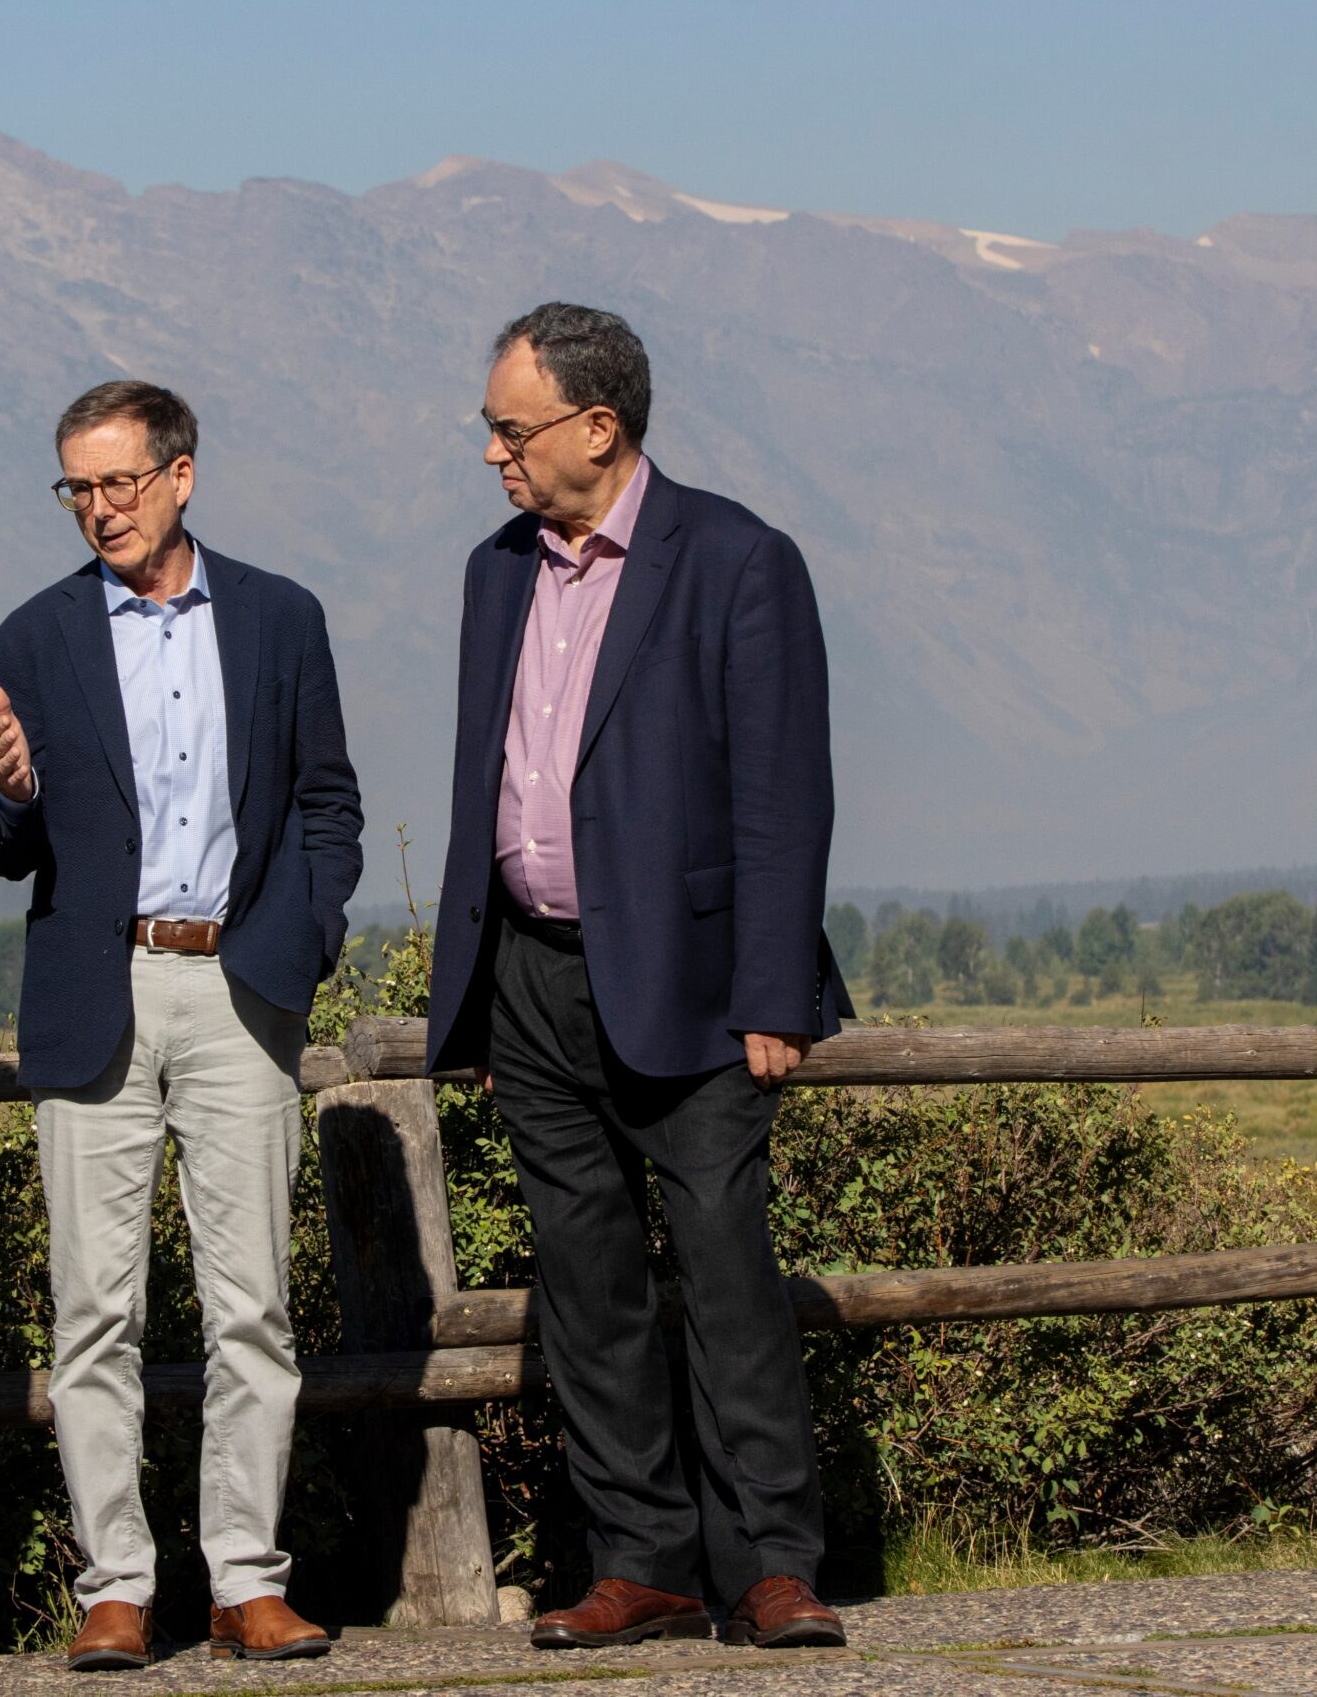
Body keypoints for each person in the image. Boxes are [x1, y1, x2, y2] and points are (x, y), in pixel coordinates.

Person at [424, 304, 854, 1651]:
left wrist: (776, 993)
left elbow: (785, 794)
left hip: (702, 984)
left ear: (596, 429)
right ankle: (644, 1561)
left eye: (513, 427)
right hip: (537, 983)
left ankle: (772, 1565)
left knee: (727, 1269)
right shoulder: (497, 569)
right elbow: (487, 778)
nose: (495, 452)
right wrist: (483, 981)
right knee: (585, 1282)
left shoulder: (737, 560)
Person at [0, 380, 364, 1671]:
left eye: (120, 483)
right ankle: (117, 1588)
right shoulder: (29, 637)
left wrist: (300, 944)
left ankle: (250, 1580)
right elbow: (1, 840)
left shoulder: (281, 620)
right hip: (99, 992)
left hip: (241, 985)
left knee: (253, 1307)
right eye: (77, 488)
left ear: (183, 475)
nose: (99, 510)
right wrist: (9, 795)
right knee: (96, 1311)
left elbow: (327, 804)